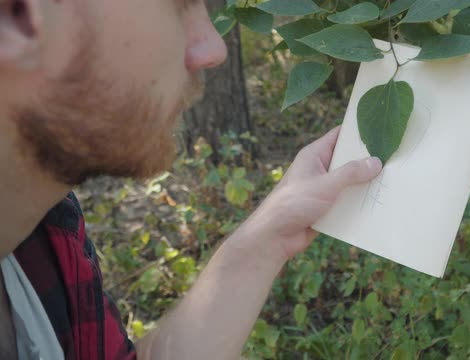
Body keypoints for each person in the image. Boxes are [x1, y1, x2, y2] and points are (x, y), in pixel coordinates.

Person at [0, 0, 383, 359]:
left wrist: (271, 235)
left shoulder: (47, 228)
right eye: (179, 5)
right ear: (16, 14)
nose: (213, 49)